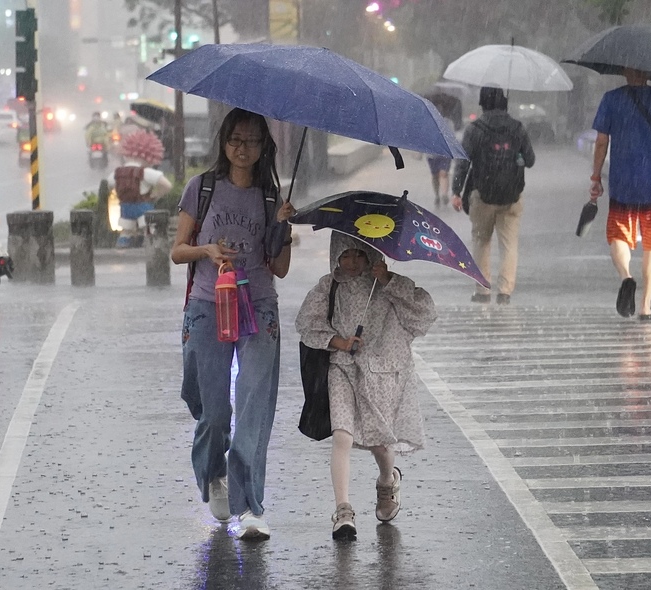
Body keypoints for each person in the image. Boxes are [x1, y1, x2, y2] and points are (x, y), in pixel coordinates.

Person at [171, 108, 295, 540]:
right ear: (224, 142)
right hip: (208, 305)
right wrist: (207, 250)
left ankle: (252, 506)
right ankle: (214, 473)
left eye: (252, 141)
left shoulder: (270, 196)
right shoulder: (202, 187)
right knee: (214, 413)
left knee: (253, 409)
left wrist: (284, 229)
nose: (243, 149)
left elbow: (278, 268)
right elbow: (177, 251)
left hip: (258, 306)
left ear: (265, 147)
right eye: (235, 140)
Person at [295, 232, 437, 540]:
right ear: (335, 256)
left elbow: (424, 312)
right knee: (342, 436)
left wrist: (388, 281)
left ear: (371, 254)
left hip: (381, 373)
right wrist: (339, 342)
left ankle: (387, 480)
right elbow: (307, 322)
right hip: (341, 368)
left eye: (359, 254)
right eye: (345, 255)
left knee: (378, 441)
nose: (352, 262)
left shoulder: (386, 284)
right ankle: (343, 510)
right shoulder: (328, 286)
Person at [589, 67, 651, 321]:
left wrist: (596, 176)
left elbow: (601, 141)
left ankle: (626, 277)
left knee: (619, 236)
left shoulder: (611, 99)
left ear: (625, 71)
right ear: (650, 72)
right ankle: (645, 306)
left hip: (623, 182)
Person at [451, 87, 535, 305]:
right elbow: (531, 159)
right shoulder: (517, 128)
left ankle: (482, 290)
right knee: (509, 244)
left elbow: (462, 162)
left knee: (481, 241)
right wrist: (515, 153)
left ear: (483, 103)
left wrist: (456, 191)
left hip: (482, 194)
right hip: (512, 195)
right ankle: (505, 291)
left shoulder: (475, 129)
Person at [107, 130, 172, 248]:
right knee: (147, 230)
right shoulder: (146, 172)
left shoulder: (117, 173)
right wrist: (155, 195)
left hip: (125, 207)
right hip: (143, 207)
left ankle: (122, 248)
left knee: (125, 231)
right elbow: (167, 185)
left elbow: (109, 184)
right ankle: (149, 248)